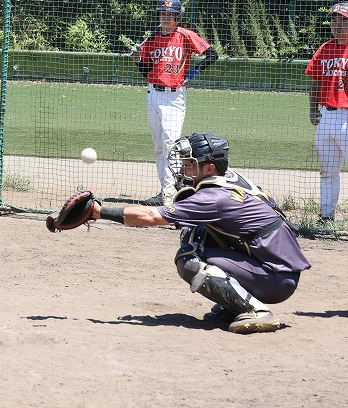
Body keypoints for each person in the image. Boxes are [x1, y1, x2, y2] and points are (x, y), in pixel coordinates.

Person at [87, 133, 310, 334]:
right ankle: (234, 305)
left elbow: (149, 217)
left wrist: (99, 211)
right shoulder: (230, 178)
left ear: (209, 169)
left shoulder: (213, 198)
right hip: (271, 265)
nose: (182, 170)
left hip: (275, 279)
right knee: (197, 232)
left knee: (190, 260)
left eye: (188, 164)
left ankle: (256, 311)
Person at [132, 0, 218, 207]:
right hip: (153, 94)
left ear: (177, 17)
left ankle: (174, 193)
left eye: (170, 14)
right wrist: (137, 59)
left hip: (174, 96)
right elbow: (146, 71)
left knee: (171, 144)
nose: (166, 17)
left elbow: (212, 54)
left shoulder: (185, 35)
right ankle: (166, 191)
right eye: (163, 13)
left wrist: (193, 72)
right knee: (159, 147)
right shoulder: (152, 38)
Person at [306, 2, 348, 226]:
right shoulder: (325, 49)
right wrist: (313, 108)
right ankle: (326, 216)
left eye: (343, 21)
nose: (337, 25)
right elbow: (315, 81)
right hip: (326, 116)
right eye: (334, 20)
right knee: (327, 171)